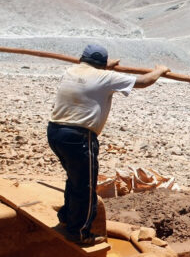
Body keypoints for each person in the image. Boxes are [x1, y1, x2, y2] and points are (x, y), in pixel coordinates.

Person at [48, 44, 170, 245]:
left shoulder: (71, 71)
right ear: (102, 65)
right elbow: (145, 81)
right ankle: (80, 233)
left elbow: (93, 76)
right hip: (79, 136)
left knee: (75, 178)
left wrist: (106, 67)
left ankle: (67, 218)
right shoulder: (105, 78)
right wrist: (160, 70)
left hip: (55, 132)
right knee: (86, 186)